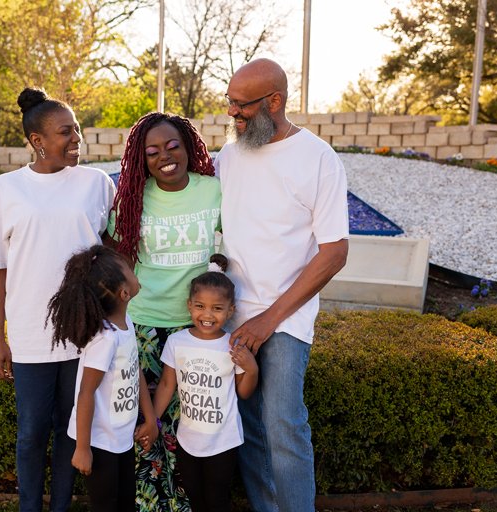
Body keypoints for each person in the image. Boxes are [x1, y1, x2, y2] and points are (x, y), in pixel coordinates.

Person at [215, 58, 349, 512]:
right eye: (229, 103)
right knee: (250, 427)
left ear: (275, 100)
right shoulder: (228, 157)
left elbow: (334, 253)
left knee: (283, 425)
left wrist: (269, 319)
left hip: (286, 318)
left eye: (241, 106)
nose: (232, 114)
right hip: (233, 316)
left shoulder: (318, 159)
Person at [0, 87, 115, 512]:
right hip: (32, 335)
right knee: (32, 431)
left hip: (85, 334)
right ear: (37, 141)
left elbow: (112, 254)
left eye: (77, 130)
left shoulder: (97, 184)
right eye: (65, 132)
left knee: (72, 429)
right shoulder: (6, 188)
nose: (77, 140)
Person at [108, 112, 220, 511]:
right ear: (143, 159)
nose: (164, 157)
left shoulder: (213, 191)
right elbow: (115, 254)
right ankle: (148, 505)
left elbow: (238, 241)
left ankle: (186, 504)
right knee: (146, 424)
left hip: (197, 327)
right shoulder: (135, 197)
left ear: (189, 147)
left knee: (189, 425)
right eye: (152, 151)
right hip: (145, 327)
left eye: (173, 146)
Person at [46, 244, 159, 512]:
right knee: (106, 505)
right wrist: (83, 448)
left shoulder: (126, 323)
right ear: (124, 292)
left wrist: (150, 418)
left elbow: (134, 371)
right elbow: (86, 393)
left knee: (124, 502)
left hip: (120, 436)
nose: (133, 269)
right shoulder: (105, 339)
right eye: (128, 270)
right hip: (98, 441)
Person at [148, 254, 258, 512]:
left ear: (230, 311)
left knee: (217, 500)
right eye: (200, 306)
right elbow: (166, 385)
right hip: (188, 440)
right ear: (189, 305)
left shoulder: (233, 345)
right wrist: (153, 420)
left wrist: (251, 368)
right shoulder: (177, 342)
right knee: (195, 496)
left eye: (217, 309)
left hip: (223, 442)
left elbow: (243, 392)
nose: (207, 315)